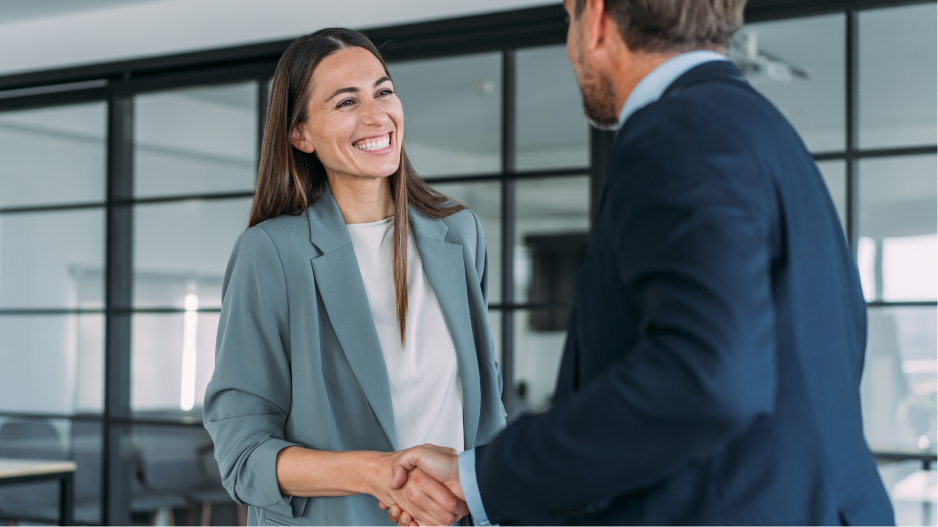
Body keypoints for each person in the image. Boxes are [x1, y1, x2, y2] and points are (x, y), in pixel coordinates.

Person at [386, 0, 895, 526]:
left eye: (570, 18)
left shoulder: (677, 132)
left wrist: (483, 478)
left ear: (598, 20)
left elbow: (707, 379)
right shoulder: (769, 134)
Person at [202, 27, 506, 527]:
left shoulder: (460, 234)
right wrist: (377, 473)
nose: (375, 116)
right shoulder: (273, 253)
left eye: (383, 91)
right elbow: (243, 455)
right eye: (346, 102)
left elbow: (486, 410)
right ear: (300, 134)